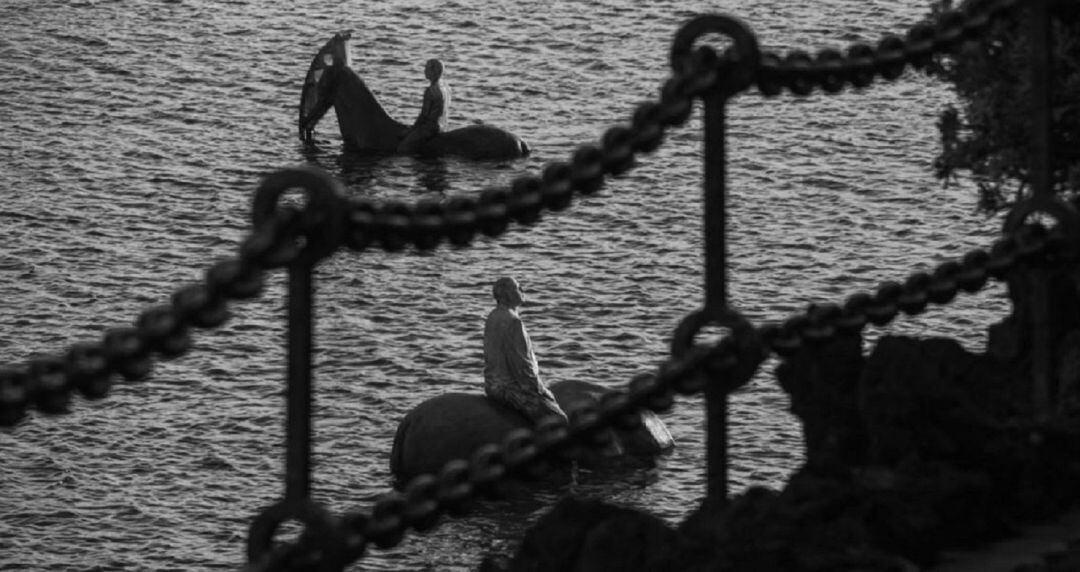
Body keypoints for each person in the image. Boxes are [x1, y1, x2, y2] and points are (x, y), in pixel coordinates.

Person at [483, 277, 568, 424]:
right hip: (509, 389)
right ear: (508, 295)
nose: (522, 290)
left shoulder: (493, 316)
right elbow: (522, 365)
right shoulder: (514, 321)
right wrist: (540, 390)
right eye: (518, 287)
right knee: (559, 420)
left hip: (491, 385)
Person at [398, 58, 450, 155]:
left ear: (433, 71)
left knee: (402, 148)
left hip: (430, 128)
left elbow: (424, 115)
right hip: (442, 125)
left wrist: (411, 131)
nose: (424, 71)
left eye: (427, 68)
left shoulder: (430, 91)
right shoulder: (445, 88)